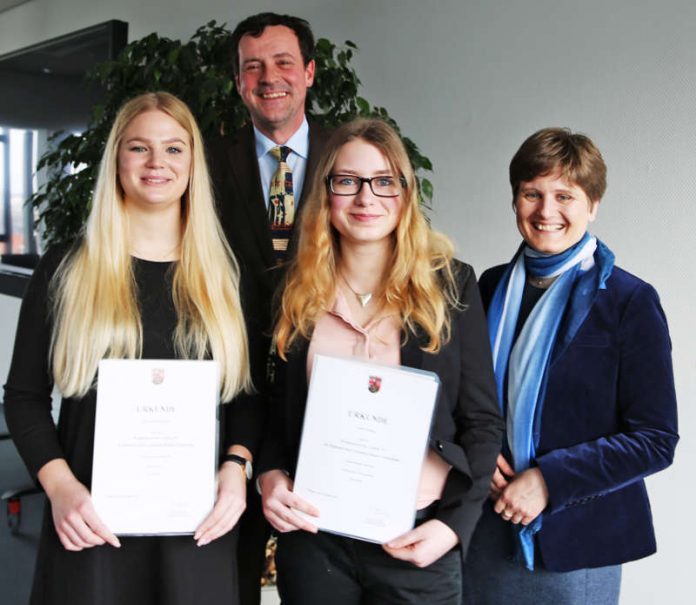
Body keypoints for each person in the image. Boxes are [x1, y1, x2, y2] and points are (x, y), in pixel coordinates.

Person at [4, 92, 261, 605]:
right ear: (116, 159)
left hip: (198, 526)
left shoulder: (227, 276)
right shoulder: (66, 269)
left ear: (193, 163)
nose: (156, 164)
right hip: (91, 522)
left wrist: (236, 469)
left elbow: (248, 397)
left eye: (173, 149)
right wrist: (59, 488)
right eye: (138, 148)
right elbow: (24, 395)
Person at [256, 118, 504, 605]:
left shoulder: (449, 286)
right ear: (325, 193)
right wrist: (268, 476)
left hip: (417, 541)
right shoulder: (294, 288)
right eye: (347, 181)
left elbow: (482, 421)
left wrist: (453, 528)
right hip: (315, 540)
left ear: (405, 193)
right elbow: (273, 413)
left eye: (384, 182)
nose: (366, 198)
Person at [461, 128, 679, 604]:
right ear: (515, 200)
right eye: (531, 194)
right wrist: (475, 456)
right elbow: (463, 397)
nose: (546, 211)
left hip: (573, 538)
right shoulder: (488, 287)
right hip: (482, 527)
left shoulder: (629, 301)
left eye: (565, 195)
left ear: (593, 204)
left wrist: (548, 480)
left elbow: (656, 440)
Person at [206, 12, 331, 604]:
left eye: (283, 62)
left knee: (324, 570)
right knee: (230, 571)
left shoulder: (351, 156)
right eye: (252, 66)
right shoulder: (203, 164)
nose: (269, 77)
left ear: (308, 72)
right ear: (238, 82)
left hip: (328, 393)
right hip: (231, 394)